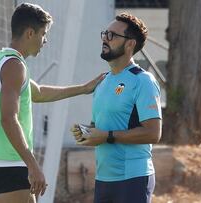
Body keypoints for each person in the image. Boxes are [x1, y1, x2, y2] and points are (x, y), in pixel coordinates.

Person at [0, 3, 104, 203]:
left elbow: (38, 92)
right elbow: (8, 119)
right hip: (11, 162)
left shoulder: (1, 59)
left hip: (2, 161)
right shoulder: (14, 65)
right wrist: (33, 165)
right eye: (43, 34)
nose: (45, 40)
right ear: (30, 33)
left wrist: (83, 88)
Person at [71, 12, 162, 203]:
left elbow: (153, 133)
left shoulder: (143, 80)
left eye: (112, 35)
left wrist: (107, 136)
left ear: (130, 44)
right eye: (105, 34)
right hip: (104, 179)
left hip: (133, 180)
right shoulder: (103, 81)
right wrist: (87, 133)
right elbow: (100, 130)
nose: (105, 39)